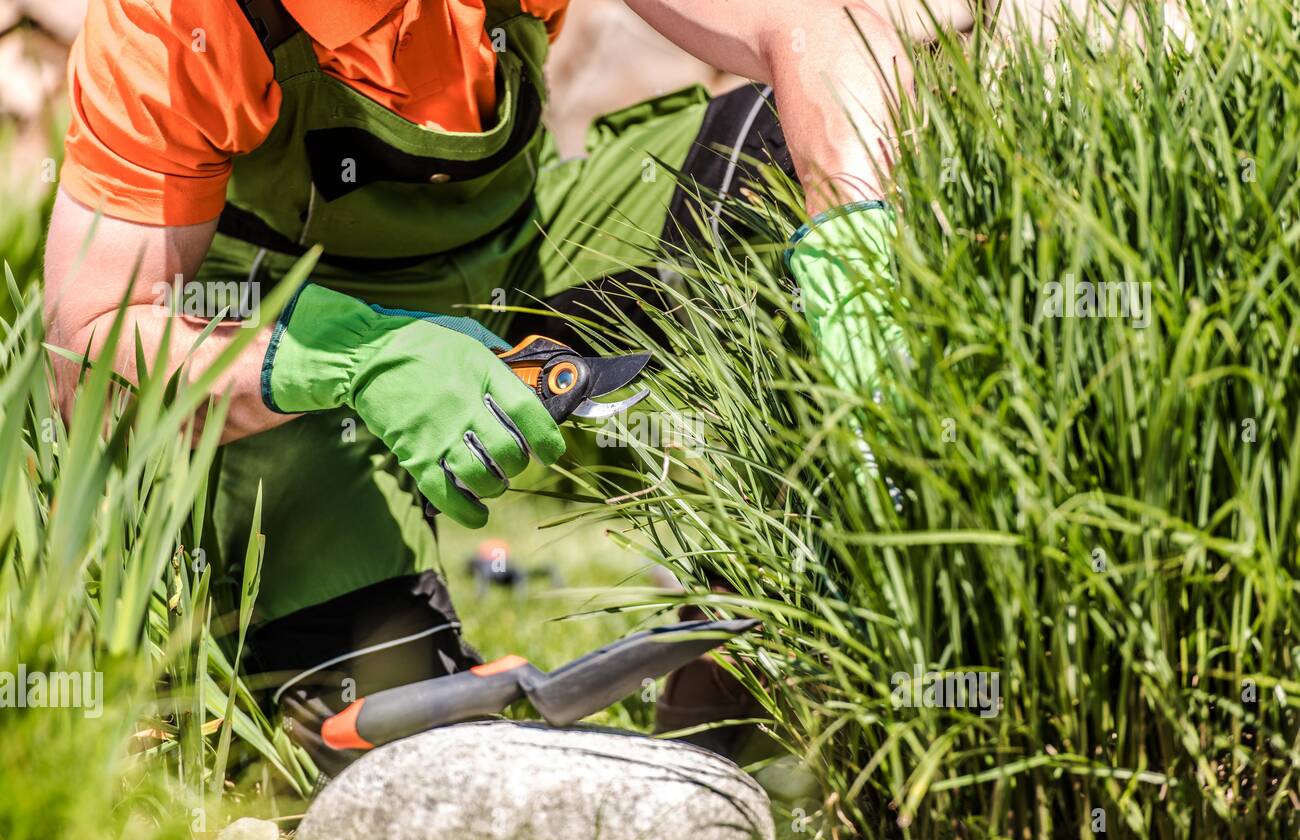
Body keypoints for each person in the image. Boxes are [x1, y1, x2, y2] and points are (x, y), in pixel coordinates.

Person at [44, 0, 965, 766]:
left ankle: (742, 676)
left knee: (759, 153)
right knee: (407, 726)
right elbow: (88, 342)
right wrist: (349, 359)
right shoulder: (176, 22)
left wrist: (858, 268)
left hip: (513, 273)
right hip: (284, 345)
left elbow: (824, 27)